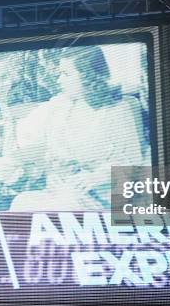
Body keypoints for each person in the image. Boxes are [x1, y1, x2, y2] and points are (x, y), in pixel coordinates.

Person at [10, 46, 144, 211]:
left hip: (103, 194)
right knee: (22, 201)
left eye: (66, 74)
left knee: (65, 204)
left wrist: (94, 178)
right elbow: (41, 147)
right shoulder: (61, 106)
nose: (59, 80)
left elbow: (133, 164)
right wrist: (54, 172)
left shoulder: (117, 110)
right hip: (65, 191)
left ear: (87, 76)